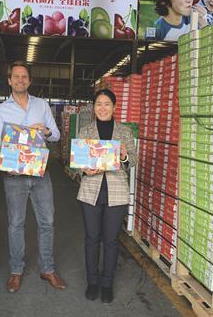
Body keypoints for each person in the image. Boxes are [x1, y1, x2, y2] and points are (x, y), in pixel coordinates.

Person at [0, 61, 65, 293]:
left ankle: (48, 268)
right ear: (9, 80)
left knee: (48, 222)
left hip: (40, 172)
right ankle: (16, 271)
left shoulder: (42, 105)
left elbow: (56, 135)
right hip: (14, 176)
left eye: (24, 76)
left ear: (30, 81)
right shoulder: (0, 111)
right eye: (16, 76)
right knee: (16, 223)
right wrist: (6, 164)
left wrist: (45, 131)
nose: (20, 80)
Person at [76, 89, 137, 304]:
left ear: (114, 107)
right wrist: (85, 170)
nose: (102, 108)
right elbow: (77, 162)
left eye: (107, 104)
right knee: (92, 239)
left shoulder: (124, 132)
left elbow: (133, 161)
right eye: (99, 104)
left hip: (116, 193)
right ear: (93, 107)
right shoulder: (85, 131)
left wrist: (124, 155)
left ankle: (107, 283)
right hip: (90, 191)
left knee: (111, 241)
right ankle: (92, 281)